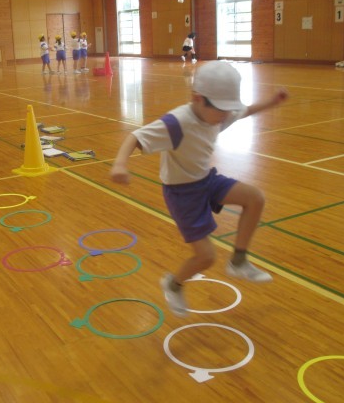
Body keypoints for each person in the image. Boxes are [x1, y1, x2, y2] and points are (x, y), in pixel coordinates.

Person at [109, 61, 288, 317]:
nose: (226, 116)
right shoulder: (177, 122)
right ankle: (173, 284)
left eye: (228, 109)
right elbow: (135, 137)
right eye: (221, 110)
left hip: (205, 180)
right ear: (197, 99)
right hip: (182, 193)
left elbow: (245, 111)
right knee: (206, 257)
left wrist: (272, 102)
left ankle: (238, 261)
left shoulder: (217, 114)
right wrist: (120, 164)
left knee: (255, 198)